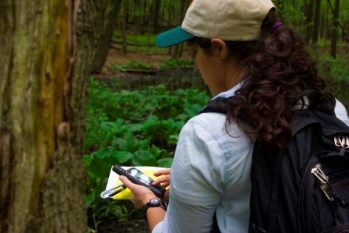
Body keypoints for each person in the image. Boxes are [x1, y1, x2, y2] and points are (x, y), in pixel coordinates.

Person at [119, 0, 349, 232]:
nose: (196, 64)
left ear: (219, 48)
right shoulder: (331, 109)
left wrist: (150, 201)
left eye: (194, 51)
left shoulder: (206, 133)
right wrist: (191, 181)